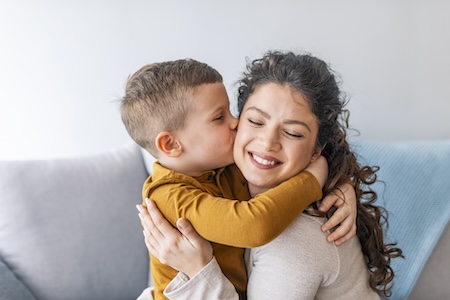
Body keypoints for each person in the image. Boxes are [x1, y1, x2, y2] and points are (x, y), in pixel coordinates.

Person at [140, 51, 403, 299]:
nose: (267, 143)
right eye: (255, 121)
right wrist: (328, 175)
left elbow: (255, 225)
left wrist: (198, 269)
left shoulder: (298, 239)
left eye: (293, 133)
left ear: (316, 150)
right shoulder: (215, 175)